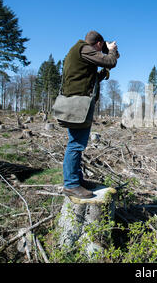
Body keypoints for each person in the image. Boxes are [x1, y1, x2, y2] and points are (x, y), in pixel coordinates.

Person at [61, 30, 120, 199]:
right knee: (76, 144)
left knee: (76, 144)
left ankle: (76, 180)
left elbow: (86, 77)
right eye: (101, 49)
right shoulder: (85, 49)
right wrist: (111, 50)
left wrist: (102, 73)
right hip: (77, 104)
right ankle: (71, 184)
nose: (100, 53)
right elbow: (111, 61)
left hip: (76, 103)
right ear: (99, 44)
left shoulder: (79, 51)